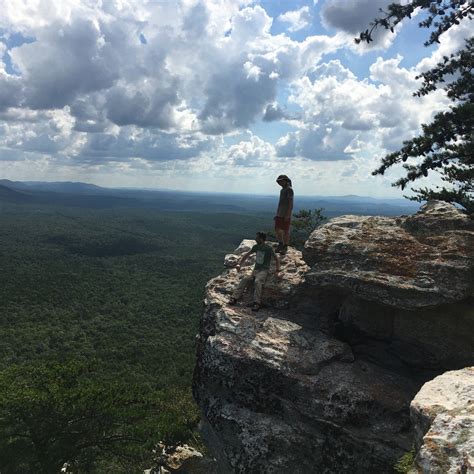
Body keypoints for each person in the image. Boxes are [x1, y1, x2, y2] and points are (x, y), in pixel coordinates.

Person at [229, 232, 280, 312]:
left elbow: (276, 259)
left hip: (264, 270)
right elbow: (246, 255)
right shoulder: (256, 247)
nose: (255, 239)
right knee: (245, 279)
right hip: (255, 270)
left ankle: (257, 303)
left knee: (257, 281)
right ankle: (234, 298)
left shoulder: (268, 248)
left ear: (261, 239)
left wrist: (277, 270)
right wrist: (239, 265)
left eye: (257, 238)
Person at [274, 174, 294, 254]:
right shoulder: (282, 190)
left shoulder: (289, 190)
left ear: (286, 181)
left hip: (285, 214)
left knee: (285, 230)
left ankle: (285, 246)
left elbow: (290, 203)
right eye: (279, 182)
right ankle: (280, 243)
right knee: (277, 229)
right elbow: (280, 203)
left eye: (281, 181)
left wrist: (288, 214)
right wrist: (277, 213)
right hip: (280, 213)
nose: (280, 183)